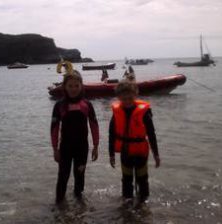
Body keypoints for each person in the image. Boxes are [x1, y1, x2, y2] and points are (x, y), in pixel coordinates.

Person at [50, 70, 99, 204]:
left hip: (82, 148)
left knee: (80, 176)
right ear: (64, 86)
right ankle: (59, 206)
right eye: (70, 86)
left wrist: (96, 146)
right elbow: (54, 129)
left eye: (76, 85)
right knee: (63, 177)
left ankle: (79, 209)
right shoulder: (59, 106)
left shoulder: (87, 105)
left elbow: (94, 125)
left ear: (81, 86)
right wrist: (55, 149)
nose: (73, 89)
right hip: (65, 147)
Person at [109, 80, 160, 203]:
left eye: (130, 97)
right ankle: (127, 202)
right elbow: (111, 134)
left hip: (141, 151)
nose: (127, 101)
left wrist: (156, 154)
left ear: (135, 94)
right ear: (119, 97)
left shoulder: (144, 113)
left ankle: (143, 204)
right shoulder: (116, 114)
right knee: (126, 178)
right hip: (125, 151)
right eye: (124, 98)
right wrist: (111, 154)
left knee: (142, 178)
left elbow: (151, 134)